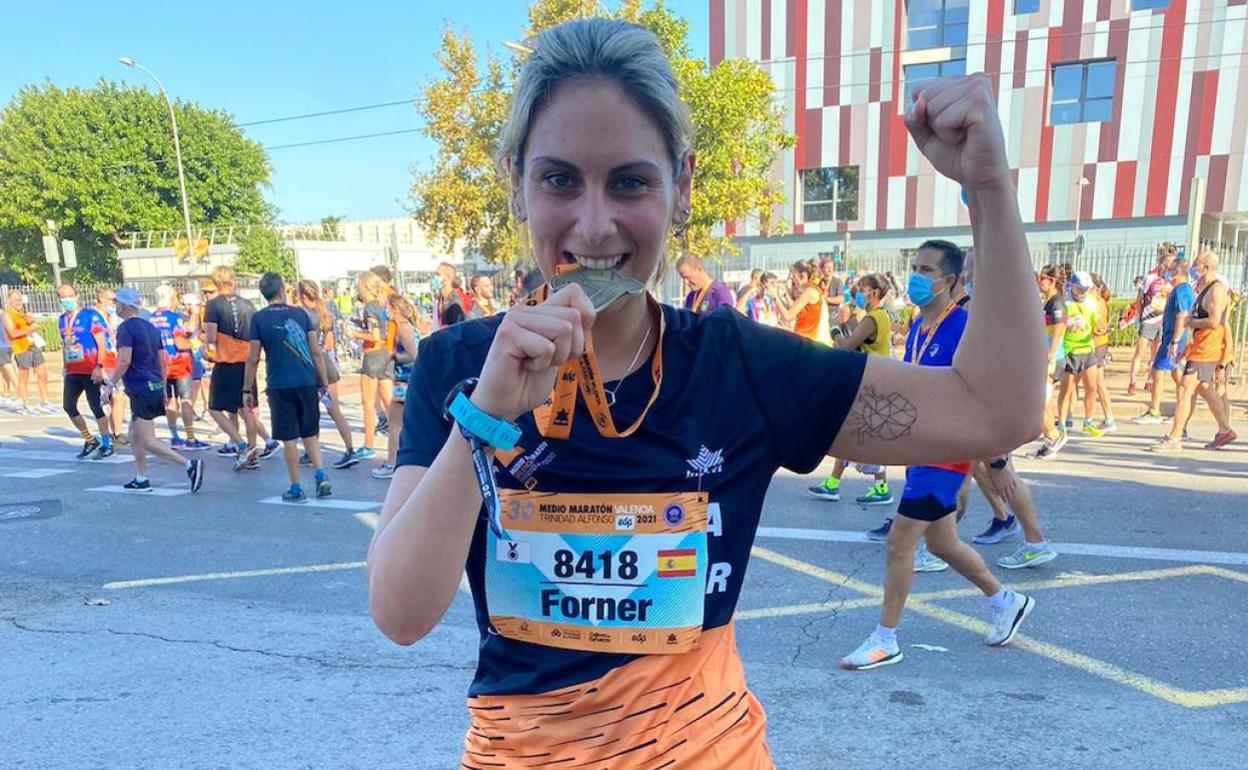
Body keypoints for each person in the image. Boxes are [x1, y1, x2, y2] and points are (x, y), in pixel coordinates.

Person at [366, 19, 1043, 765]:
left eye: (630, 181)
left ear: (681, 186)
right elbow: (399, 614)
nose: (594, 226)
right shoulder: (458, 366)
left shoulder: (740, 367)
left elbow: (996, 411)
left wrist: (989, 188)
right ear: (516, 186)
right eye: (559, 179)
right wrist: (487, 418)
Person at [840, 241, 1035, 671]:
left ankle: (885, 638)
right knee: (942, 542)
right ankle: (1007, 600)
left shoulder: (964, 327)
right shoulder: (918, 326)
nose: (916, 277)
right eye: (914, 267)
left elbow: (987, 396)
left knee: (899, 542)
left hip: (947, 453)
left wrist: (997, 460)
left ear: (949, 281)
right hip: (920, 449)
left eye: (926, 270)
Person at [245, 272, 332, 502]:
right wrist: (322, 379)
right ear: (282, 289)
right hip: (305, 381)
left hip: (279, 384)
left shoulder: (259, 319)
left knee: (289, 438)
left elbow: (253, 357)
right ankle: (321, 474)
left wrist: (247, 389)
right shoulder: (300, 314)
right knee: (310, 433)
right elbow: (315, 350)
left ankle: (296, 487)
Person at [109, 287, 204, 493]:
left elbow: (124, 359)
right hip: (152, 385)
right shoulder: (150, 327)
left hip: (140, 386)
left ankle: (189, 465)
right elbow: (162, 360)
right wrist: (161, 386)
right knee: (134, 434)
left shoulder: (126, 329)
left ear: (125, 306)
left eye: (117, 303)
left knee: (146, 439)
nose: (114, 306)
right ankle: (141, 476)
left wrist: (110, 383)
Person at [810, 274, 893, 506]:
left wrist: (834, 327)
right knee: (852, 432)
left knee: (859, 434)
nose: (857, 292)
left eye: (861, 289)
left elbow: (846, 347)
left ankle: (879, 486)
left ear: (874, 293)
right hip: (871, 381)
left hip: (870, 383)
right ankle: (835, 483)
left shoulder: (874, 318)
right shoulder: (879, 316)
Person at [1150, 251, 1237, 451]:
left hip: (1207, 349)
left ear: (1206, 267)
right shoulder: (1204, 288)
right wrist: (1187, 346)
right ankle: (1224, 430)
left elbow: (1215, 322)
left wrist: (1190, 322)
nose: (1193, 268)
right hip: (1198, 348)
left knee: (1185, 389)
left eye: (1197, 264)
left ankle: (1175, 437)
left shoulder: (1217, 290)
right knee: (1204, 389)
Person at [204, 266, 277, 468]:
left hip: (226, 361)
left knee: (215, 409)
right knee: (247, 408)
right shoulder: (248, 304)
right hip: (246, 361)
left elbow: (210, 337)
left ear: (216, 282)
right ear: (233, 280)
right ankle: (251, 450)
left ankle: (241, 443)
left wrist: (208, 353)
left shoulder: (214, 305)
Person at [297, 280, 359, 470]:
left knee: (309, 412)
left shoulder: (302, 315)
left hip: (311, 366)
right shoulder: (325, 314)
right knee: (334, 410)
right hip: (327, 363)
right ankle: (350, 448)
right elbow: (330, 344)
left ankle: (310, 450)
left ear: (302, 295)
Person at [55, 284, 114, 459]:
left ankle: (106, 443)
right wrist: (65, 367)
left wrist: (99, 366)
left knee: (95, 406)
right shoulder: (61, 320)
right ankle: (89, 439)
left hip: (90, 368)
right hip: (73, 370)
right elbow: (65, 345)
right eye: (62, 297)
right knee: (68, 405)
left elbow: (101, 342)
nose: (66, 300)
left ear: (76, 296)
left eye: (69, 296)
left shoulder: (90, 316)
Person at [1135, 256, 1194, 424]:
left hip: (1173, 337)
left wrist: (1174, 342)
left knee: (1157, 370)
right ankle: (1180, 409)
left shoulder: (1182, 291)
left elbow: (1182, 316)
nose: (1167, 274)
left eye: (1170, 270)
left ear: (1178, 272)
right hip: (1170, 335)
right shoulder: (1178, 290)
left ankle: (1154, 410)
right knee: (1176, 374)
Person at [371, 291, 420, 480]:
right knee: (402, 423)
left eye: (387, 308)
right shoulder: (406, 326)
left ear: (394, 309)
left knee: (394, 424)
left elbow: (413, 354)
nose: (385, 311)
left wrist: (393, 356)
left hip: (405, 380)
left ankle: (392, 463)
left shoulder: (402, 327)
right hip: (407, 379)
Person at [151, 285, 206, 450]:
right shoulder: (174, 317)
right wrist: (195, 343)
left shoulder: (151, 318)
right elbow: (181, 342)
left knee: (170, 401)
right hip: (179, 364)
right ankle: (190, 438)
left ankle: (174, 437)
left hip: (161, 365)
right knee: (186, 401)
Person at [346, 271, 393, 460]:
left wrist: (354, 334)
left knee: (368, 403)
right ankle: (402, 439)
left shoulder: (370, 307)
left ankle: (368, 444)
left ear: (365, 287)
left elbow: (374, 335)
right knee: (389, 403)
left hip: (372, 355)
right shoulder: (383, 305)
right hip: (385, 354)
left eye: (359, 286)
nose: (358, 289)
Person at [1054, 271, 1104, 440]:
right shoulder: (1065, 302)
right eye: (1080, 288)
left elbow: (1095, 322)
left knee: (1092, 387)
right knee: (1066, 389)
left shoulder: (1091, 302)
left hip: (1087, 348)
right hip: (1070, 349)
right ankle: (1061, 423)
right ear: (1072, 286)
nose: (1083, 292)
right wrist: (1069, 327)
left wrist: (1098, 329)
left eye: (1086, 289)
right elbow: (1057, 326)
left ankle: (1088, 421)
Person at [1127, 244, 1177, 394]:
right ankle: (1133, 380)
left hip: (1162, 321)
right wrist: (1139, 316)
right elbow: (1140, 298)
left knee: (1155, 353)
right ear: (1162, 264)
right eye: (1169, 263)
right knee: (1140, 352)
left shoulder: (1171, 283)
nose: (1170, 267)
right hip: (1148, 320)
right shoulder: (1150, 278)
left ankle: (1150, 379)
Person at [1033, 266, 1068, 459]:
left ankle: (1054, 435)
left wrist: (1051, 356)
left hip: (1052, 358)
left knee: (1042, 400)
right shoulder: (1048, 302)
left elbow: (1059, 331)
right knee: (1041, 400)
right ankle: (1050, 436)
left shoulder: (1058, 304)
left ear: (1052, 281)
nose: (1040, 282)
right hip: (1044, 356)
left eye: (1043, 278)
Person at [3, 289, 55, 415]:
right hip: (21, 348)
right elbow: (13, 333)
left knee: (43, 374)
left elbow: (29, 326)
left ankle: (45, 401)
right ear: (9, 300)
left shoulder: (22, 313)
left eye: (20, 300)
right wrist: (30, 328)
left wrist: (31, 321)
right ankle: (24, 404)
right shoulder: (7, 314)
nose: (19, 302)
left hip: (33, 345)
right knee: (23, 378)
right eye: (15, 300)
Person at [94, 286, 128, 445]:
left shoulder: (110, 318)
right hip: (102, 363)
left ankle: (117, 431)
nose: (114, 304)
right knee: (113, 397)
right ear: (101, 300)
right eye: (111, 300)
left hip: (113, 360)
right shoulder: (95, 317)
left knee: (117, 397)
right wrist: (98, 366)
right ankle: (113, 433)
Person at [1088, 273, 1117, 432]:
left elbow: (1098, 327)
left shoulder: (1097, 303)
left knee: (1098, 383)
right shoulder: (1096, 302)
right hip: (1097, 344)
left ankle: (1109, 418)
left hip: (1097, 345)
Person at [775, 260, 830, 343]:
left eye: (793, 275)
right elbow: (794, 310)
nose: (792, 279)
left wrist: (774, 296)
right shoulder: (810, 289)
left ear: (802, 275)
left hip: (810, 341)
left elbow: (788, 316)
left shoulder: (809, 292)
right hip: (807, 339)